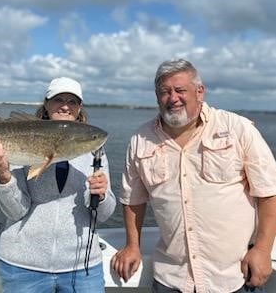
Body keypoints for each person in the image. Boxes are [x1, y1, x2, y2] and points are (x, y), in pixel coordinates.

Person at [111, 59, 276, 293]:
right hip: (171, 277)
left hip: (232, 276)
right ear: (157, 96)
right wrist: (132, 245)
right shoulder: (140, 139)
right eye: (165, 92)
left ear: (200, 92)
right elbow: (132, 199)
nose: (173, 98)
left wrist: (262, 249)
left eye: (180, 90)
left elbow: (268, 191)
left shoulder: (237, 128)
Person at [0, 77, 116, 293]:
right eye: (58, 99)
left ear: (79, 107)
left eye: (72, 101)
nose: (65, 106)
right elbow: (16, 211)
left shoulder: (94, 149)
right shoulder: (20, 141)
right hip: (23, 268)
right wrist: (3, 175)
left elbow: (103, 215)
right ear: (46, 103)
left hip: (81, 268)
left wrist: (101, 196)